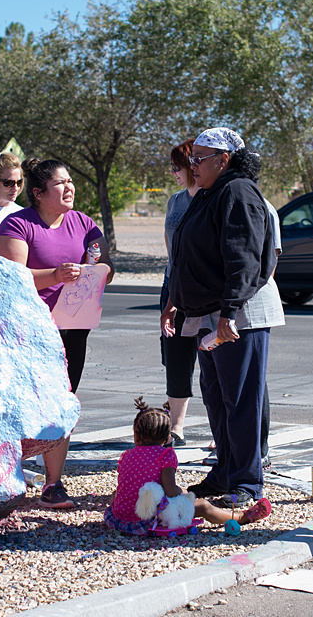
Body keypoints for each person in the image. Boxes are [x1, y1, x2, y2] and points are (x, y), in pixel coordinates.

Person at [161, 127, 279, 509]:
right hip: (208, 313)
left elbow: (244, 256)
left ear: (223, 160)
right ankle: (226, 470)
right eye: (191, 158)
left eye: (198, 158)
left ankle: (246, 480)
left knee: (240, 398)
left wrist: (230, 311)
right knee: (217, 396)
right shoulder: (210, 193)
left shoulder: (238, 192)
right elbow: (189, 254)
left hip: (236, 315)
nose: (191, 165)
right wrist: (176, 299)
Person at [0, 158, 114, 510]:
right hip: (28, 328)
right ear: (38, 193)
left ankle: (53, 483)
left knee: (63, 401)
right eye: (61, 183)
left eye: (71, 181)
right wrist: (55, 275)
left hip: (73, 327)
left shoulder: (84, 224)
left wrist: (97, 270)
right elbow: (11, 277)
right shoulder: (18, 224)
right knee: (18, 401)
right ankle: (4, 476)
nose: (70, 187)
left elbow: (104, 265)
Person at [104, 398, 272, 535]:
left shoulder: (127, 455)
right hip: (149, 519)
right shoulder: (165, 455)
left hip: (120, 518)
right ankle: (240, 517)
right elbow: (170, 490)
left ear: (135, 435)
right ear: (168, 437)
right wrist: (183, 493)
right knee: (203, 506)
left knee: (120, 492)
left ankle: (125, 512)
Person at [160, 139, 201, 447]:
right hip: (173, 286)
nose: (173, 172)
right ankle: (177, 428)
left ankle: (222, 430)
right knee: (175, 358)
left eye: (177, 167)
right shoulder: (175, 201)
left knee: (214, 361)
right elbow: (170, 246)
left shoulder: (212, 198)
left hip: (202, 290)